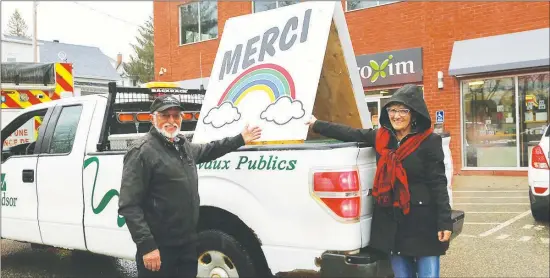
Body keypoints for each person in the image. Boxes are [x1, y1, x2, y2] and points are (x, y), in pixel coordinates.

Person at [306, 84, 452, 278]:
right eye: (392, 110)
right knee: (401, 275)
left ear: (414, 114)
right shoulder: (382, 137)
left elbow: (438, 183)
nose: (396, 116)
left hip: (422, 221)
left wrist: (444, 222)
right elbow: (350, 133)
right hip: (392, 221)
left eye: (403, 110)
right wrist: (316, 124)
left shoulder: (429, 141)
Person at [118, 95, 262, 278]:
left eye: (176, 116)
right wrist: (147, 247)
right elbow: (129, 205)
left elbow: (209, 149)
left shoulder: (182, 145)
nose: (171, 121)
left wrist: (240, 139)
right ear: (152, 118)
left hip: (187, 244)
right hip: (160, 248)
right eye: (165, 115)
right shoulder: (142, 152)